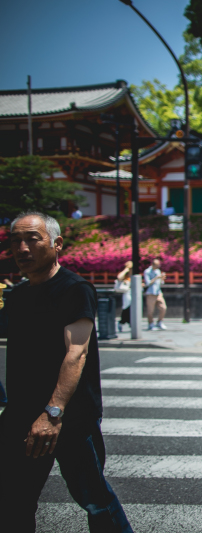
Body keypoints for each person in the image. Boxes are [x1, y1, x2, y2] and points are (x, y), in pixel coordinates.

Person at [0, 211, 132, 532]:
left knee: (94, 500)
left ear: (57, 244)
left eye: (33, 239)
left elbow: (77, 352)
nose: (22, 247)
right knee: (12, 499)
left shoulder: (74, 289)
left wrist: (52, 413)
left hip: (69, 418)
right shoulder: (16, 295)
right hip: (20, 415)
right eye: (15, 240)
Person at [144, 257, 167, 330]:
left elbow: (160, 283)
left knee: (163, 308)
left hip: (158, 292)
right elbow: (148, 283)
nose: (158, 267)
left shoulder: (158, 271)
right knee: (150, 311)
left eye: (159, 265)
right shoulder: (147, 271)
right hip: (151, 293)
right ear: (152, 264)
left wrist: (162, 279)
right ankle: (150, 324)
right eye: (157, 265)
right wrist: (156, 277)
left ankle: (160, 322)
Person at [115, 261, 133, 332]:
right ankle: (123, 322)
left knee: (131, 311)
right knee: (126, 310)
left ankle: (128, 323)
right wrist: (126, 269)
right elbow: (119, 277)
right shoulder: (124, 275)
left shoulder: (132, 276)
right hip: (127, 296)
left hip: (133, 296)